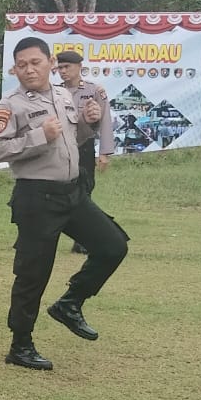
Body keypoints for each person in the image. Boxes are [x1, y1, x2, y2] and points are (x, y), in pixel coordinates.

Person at [0, 35, 130, 371]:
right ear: (15, 69)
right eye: (21, 65)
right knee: (33, 274)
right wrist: (39, 136)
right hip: (36, 198)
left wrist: (90, 123)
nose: (28, 70)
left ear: (51, 63)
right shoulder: (11, 105)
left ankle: (70, 302)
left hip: (73, 193)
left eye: (35, 62)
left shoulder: (64, 96)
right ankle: (20, 345)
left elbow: (72, 138)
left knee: (113, 245)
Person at [56, 48, 114, 253]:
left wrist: (105, 152)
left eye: (67, 67)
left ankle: (82, 240)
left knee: (85, 189)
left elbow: (105, 120)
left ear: (80, 67)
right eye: (60, 67)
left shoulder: (94, 91)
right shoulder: (54, 91)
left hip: (84, 147)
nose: (62, 71)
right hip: (59, 148)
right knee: (54, 190)